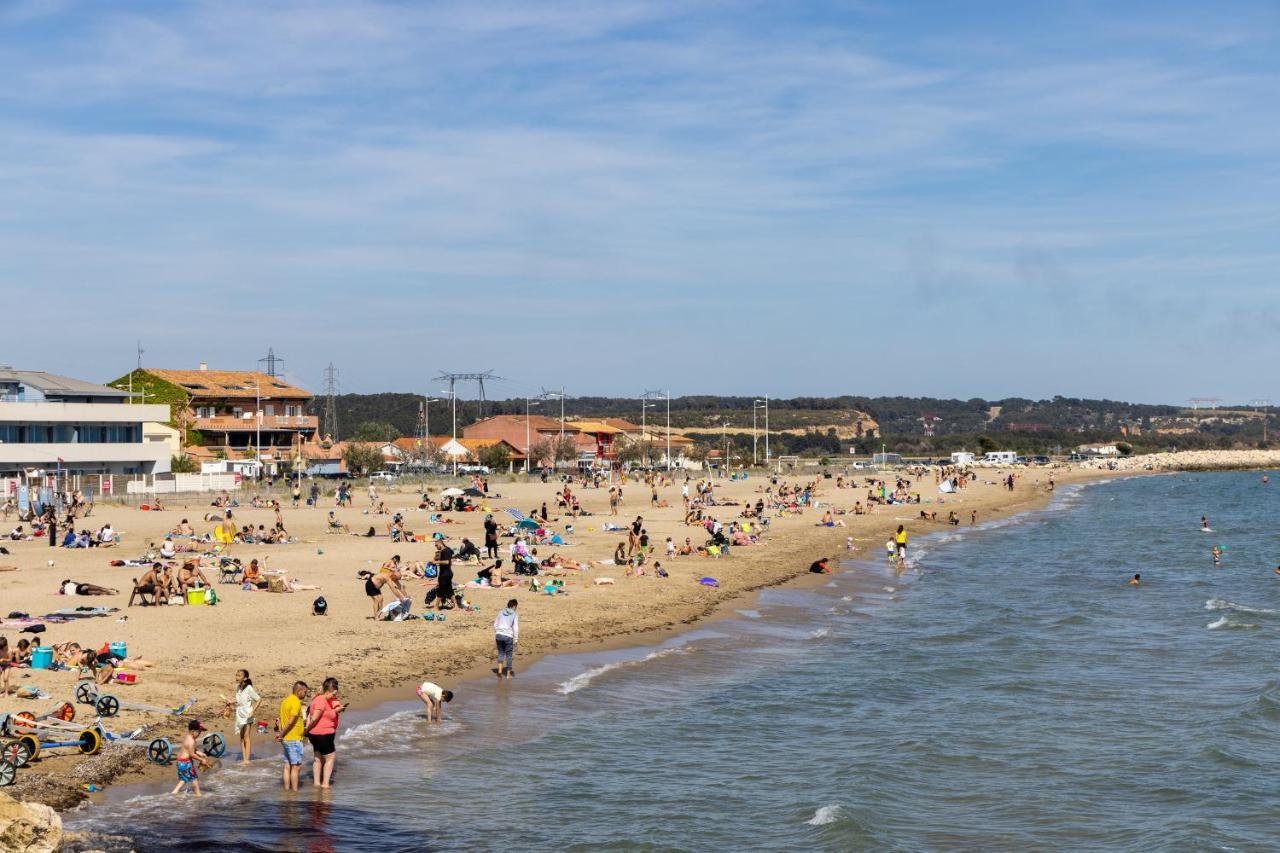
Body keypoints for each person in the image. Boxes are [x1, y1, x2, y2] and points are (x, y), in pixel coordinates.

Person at [305, 677, 344, 789]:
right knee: (330, 758)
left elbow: (312, 716)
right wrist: (306, 731)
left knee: (318, 758)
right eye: (334, 693)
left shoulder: (317, 699)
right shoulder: (321, 701)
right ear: (328, 691)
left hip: (315, 734)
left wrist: (308, 731)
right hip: (323, 734)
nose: (334, 696)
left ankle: (316, 784)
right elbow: (314, 718)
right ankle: (325, 785)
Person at [276, 681, 308, 791]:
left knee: (287, 765)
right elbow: (291, 721)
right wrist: (281, 734)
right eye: (305, 692)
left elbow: (280, 720)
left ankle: (286, 790)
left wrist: (281, 734)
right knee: (296, 767)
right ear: (299, 691)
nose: (305, 694)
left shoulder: (285, 701)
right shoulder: (296, 702)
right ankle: (294, 792)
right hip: (293, 739)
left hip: (286, 739)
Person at [171, 721, 212, 797]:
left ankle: (173, 793)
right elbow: (191, 754)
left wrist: (200, 753)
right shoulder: (192, 741)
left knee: (183, 780)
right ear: (193, 731)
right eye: (199, 732)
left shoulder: (188, 738)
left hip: (180, 762)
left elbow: (191, 750)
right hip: (186, 763)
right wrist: (201, 759)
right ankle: (198, 795)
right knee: (194, 779)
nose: (199, 734)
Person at [233, 669, 260, 765]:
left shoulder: (249, 688)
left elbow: (259, 699)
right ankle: (244, 759)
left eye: (239, 675)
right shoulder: (238, 687)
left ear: (245, 678)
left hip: (247, 714)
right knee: (241, 737)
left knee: (246, 736)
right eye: (236, 675)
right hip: (239, 713)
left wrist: (253, 711)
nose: (237, 677)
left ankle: (247, 760)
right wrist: (231, 702)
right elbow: (239, 701)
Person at [494, 598, 519, 679]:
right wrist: (516, 639)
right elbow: (515, 628)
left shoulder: (501, 612)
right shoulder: (515, 614)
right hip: (508, 636)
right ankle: (508, 675)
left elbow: (495, 624)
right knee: (508, 655)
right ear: (514, 606)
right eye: (516, 606)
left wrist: (498, 631)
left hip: (499, 635)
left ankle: (500, 671)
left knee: (501, 653)